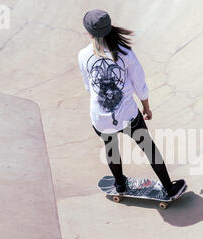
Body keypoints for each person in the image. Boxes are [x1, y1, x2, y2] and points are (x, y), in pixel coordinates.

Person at [78, 9, 185, 196]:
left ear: (89, 33)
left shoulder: (82, 56)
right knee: (148, 147)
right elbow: (139, 83)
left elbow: (89, 87)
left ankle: (120, 185)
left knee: (111, 148)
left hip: (100, 118)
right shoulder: (125, 52)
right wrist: (146, 107)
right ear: (110, 28)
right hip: (128, 116)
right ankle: (169, 188)